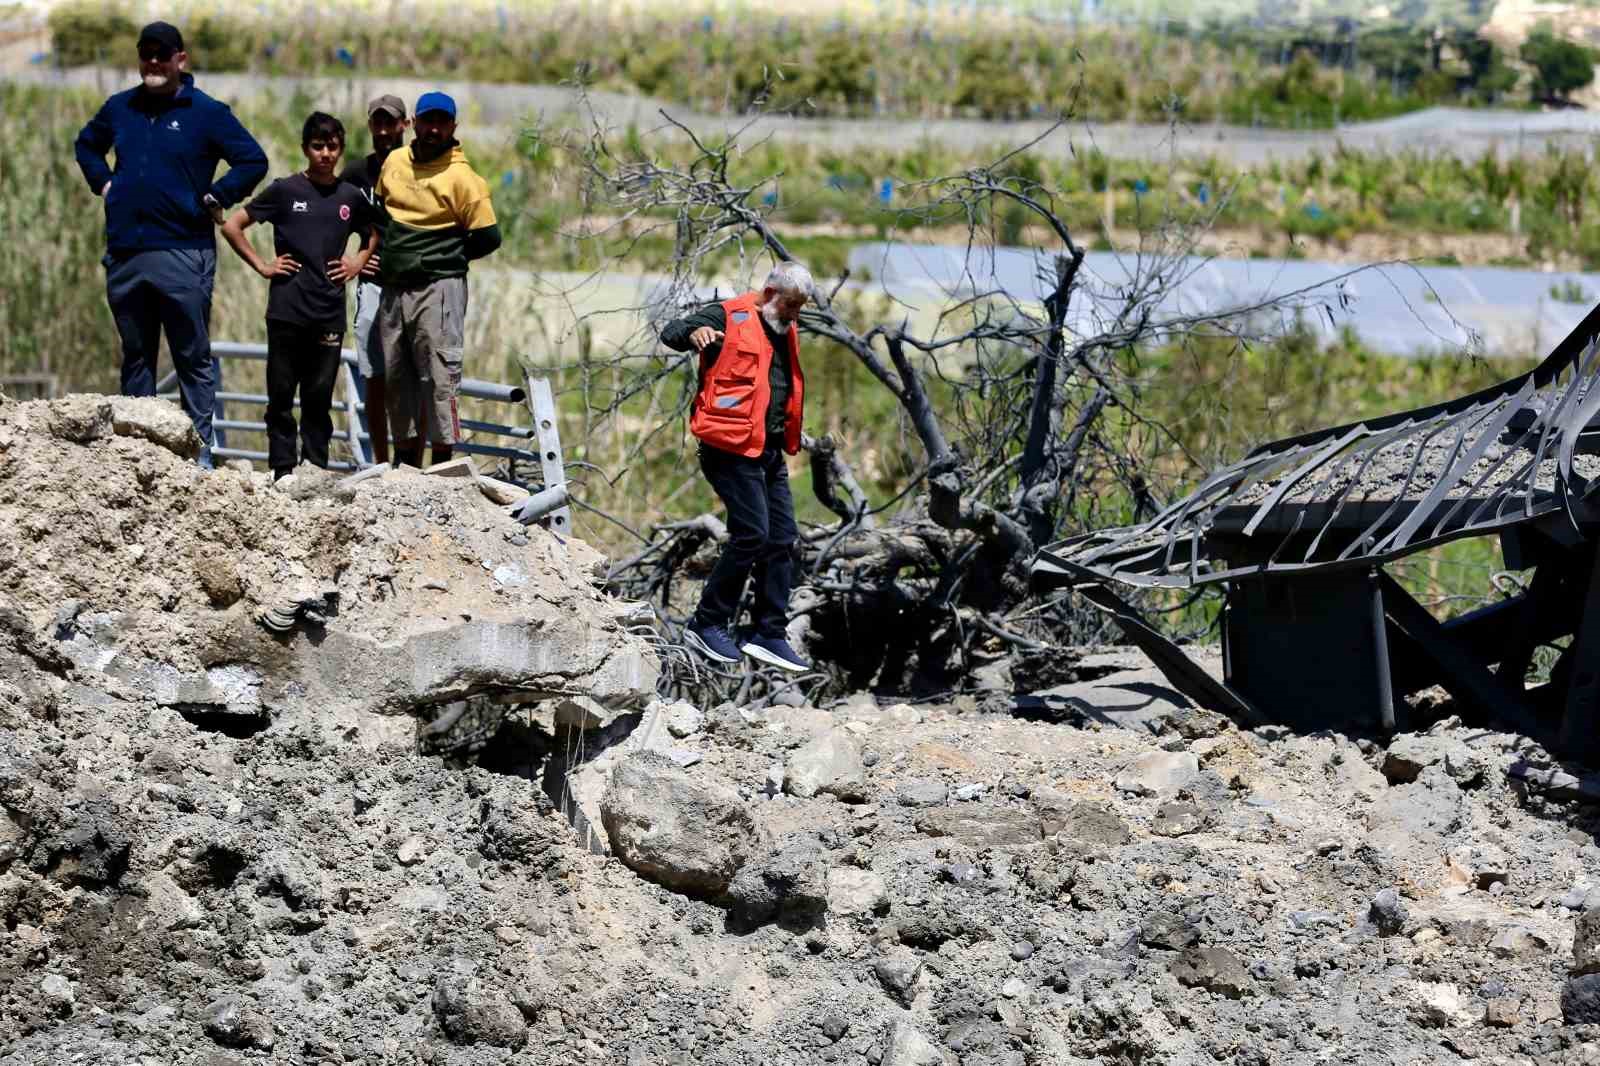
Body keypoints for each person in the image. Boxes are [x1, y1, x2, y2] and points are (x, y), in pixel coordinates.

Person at [73, 20, 268, 469]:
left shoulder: (206, 112)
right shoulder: (120, 107)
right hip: (126, 251)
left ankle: (198, 456)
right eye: (147, 54)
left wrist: (218, 195)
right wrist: (105, 183)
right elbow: (86, 145)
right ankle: (136, 455)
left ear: (181, 58)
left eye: (163, 54)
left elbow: (252, 160)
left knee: (191, 356)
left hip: (184, 250)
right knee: (136, 357)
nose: (154, 62)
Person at [659, 262, 814, 673]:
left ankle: (768, 634)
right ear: (770, 293)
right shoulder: (728, 316)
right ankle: (706, 623)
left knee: (782, 538)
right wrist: (694, 334)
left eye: (800, 307)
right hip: (728, 449)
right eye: (791, 305)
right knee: (751, 533)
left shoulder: (784, 327)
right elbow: (672, 331)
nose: (795, 314)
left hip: (768, 450)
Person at [218, 113, 377, 482]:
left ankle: (315, 470)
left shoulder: (350, 196)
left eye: (332, 147)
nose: (325, 154)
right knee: (281, 395)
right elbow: (232, 226)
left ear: (341, 149)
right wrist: (263, 265)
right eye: (317, 146)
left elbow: (374, 233)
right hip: (287, 308)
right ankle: (282, 469)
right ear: (305, 148)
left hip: (329, 310)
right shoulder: (285, 190)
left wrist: (357, 261)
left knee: (319, 397)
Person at [372, 91, 501, 469]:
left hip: (438, 288)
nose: (433, 129)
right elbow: (381, 212)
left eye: (442, 123)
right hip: (394, 286)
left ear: (453, 127)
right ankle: (406, 466)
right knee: (397, 375)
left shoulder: (464, 179)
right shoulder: (395, 161)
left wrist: (444, 258)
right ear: (413, 123)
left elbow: (489, 237)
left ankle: (444, 466)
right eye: (427, 121)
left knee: (440, 376)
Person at [339, 93, 410, 467]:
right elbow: (331, 219)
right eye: (377, 123)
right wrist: (352, 260)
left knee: (410, 377)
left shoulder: (420, 167)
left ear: (405, 125)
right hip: (373, 284)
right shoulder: (356, 174)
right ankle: (382, 463)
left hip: (413, 285)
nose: (383, 130)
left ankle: (409, 462)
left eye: (390, 123)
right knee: (375, 375)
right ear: (370, 125)